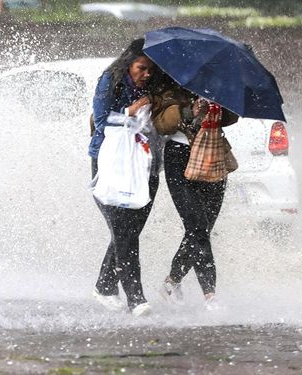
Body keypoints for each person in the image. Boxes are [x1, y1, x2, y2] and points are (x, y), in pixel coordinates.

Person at [150, 72, 238, 310]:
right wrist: (191, 110)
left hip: (212, 154)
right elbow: (160, 123)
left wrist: (221, 102)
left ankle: (171, 281)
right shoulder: (167, 83)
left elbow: (233, 116)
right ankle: (210, 295)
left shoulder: (217, 83)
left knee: (203, 228)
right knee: (197, 225)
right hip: (179, 158)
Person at [89, 38, 163, 317]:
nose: (146, 75)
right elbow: (100, 119)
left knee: (129, 231)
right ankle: (136, 298)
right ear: (128, 63)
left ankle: (105, 286)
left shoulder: (156, 88)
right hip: (111, 162)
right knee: (123, 231)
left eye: (151, 71)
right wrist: (129, 112)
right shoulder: (111, 80)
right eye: (141, 68)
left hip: (146, 164)